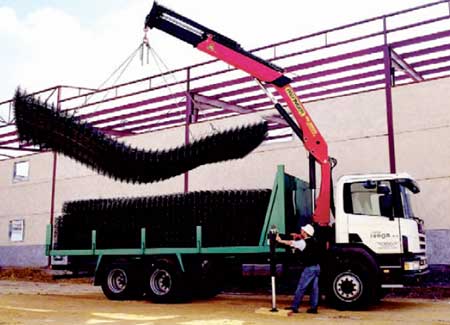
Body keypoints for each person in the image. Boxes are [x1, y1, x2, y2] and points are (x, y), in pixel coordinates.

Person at [276, 224, 320, 314]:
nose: (301, 231)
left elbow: (290, 243)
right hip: (317, 267)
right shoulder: (314, 241)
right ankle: (314, 308)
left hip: (309, 268)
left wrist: (280, 240)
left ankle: (294, 307)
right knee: (314, 288)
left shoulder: (303, 243)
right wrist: (298, 236)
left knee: (301, 287)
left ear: (305, 233)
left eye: (303, 231)